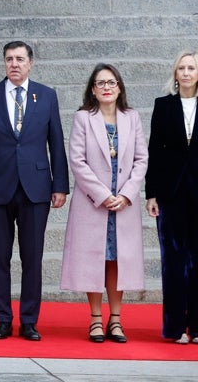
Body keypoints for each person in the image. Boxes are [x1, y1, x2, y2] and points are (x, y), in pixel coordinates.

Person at [0, 40, 69, 342]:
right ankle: (2, 320)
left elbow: (56, 143)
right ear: (3, 63)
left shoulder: (47, 96)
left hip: (36, 189)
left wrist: (59, 184)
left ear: (31, 63)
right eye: (9, 59)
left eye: (20, 59)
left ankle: (29, 321)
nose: (14, 64)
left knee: (32, 257)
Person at [60, 64, 148, 344]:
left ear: (120, 87)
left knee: (117, 260)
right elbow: (77, 161)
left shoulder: (132, 117)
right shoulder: (84, 118)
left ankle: (117, 319)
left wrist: (126, 194)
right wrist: (102, 194)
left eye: (111, 82)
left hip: (124, 203)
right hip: (93, 202)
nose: (106, 87)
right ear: (93, 90)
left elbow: (141, 160)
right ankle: (96, 319)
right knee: (94, 259)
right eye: (100, 83)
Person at [145, 50, 198, 344]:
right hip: (171, 194)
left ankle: (197, 326)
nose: (187, 73)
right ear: (175, 73)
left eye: (191, 68)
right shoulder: (163, 106)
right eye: (182, 68)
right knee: (174, 261)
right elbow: (154, 151)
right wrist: (151, 193)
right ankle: (175, 327)